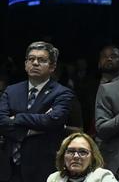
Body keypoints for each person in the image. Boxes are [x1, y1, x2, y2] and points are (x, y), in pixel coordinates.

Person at [0, 41, 75, 182]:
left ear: (52, 67)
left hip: (42, 168)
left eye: (41, 60)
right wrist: (29, 131)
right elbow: (1, 122)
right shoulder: (11, 90)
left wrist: (17, 118)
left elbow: (53, 120)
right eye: (31, 59)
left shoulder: (62, 93)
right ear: (25, 64)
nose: (35, 63)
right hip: (8, 168)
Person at [47, 132, 116, 182]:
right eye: (71, 151)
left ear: (92, 158)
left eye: (83, 152)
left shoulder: (103, 176)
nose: (76, 156)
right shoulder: (54, 178)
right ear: (63, 156)